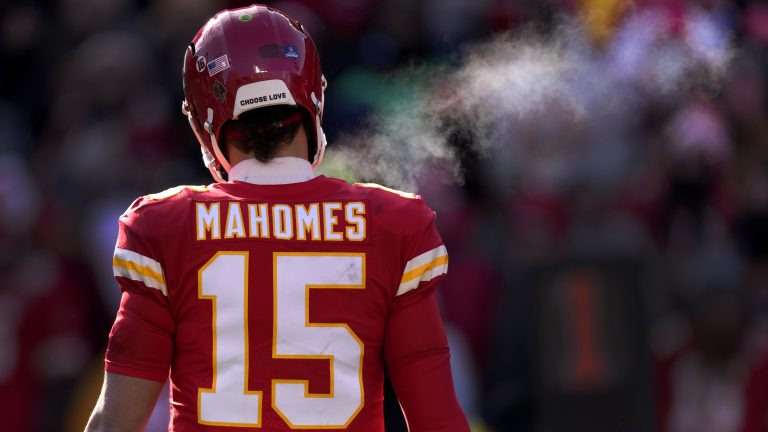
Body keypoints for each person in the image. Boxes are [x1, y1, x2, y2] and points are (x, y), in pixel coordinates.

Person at [85, 4, 469, 431]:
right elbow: (438, 420)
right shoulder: (393, 223)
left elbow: (115, 423)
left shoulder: (164, 226)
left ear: (204, 121)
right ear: (313, 100)